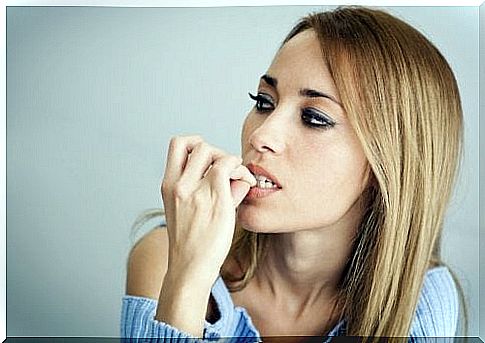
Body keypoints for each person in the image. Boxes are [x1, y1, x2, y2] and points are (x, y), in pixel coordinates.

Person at [121, 6, 466, 341]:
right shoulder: (167, 256)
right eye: (264, 101)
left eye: (314, 117)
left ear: (389, 162)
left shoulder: (420, 305)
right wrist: (188, 278)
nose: (261, 136)